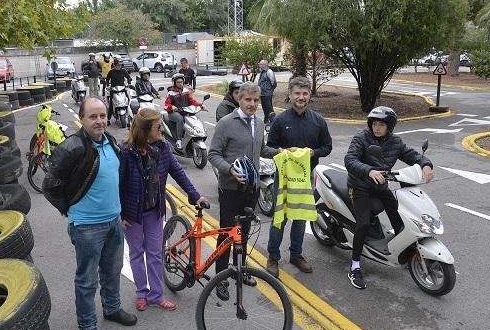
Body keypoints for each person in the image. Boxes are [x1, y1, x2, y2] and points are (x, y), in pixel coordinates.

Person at [42, 97, 137, 330]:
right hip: (86, 227)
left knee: (112, 269)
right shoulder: (72, 147)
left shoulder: (111, 142)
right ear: (82, 120)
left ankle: (112, 308)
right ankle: (87, 325)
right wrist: (70, 210)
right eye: (93, 116)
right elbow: (50, 186)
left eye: (103, 116)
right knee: (86, 280)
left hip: (113, 221)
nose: (99, 121)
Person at [119, 108, 206, 311]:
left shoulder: (164, 147)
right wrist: (121, 213)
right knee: (136, 253)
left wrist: (195, 196)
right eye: (159, 126)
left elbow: (178, 173)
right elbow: (117, 184)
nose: (162, 129)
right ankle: (141, 293)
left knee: (156, 253)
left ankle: (156, 295)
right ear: (146, 129)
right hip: (132, 213)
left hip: (154, 210)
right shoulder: (126, 151)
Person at [344, 106, 434, 290]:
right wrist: (369, 171)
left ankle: (406, 250)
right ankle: (354, 266)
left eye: (381, 125)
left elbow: (411, 155)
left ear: (389, 127)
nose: (377, 128)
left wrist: (426, 164)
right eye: (374, 124)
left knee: (398, 213)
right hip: (359, 186)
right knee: (363, 223)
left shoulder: (395, 142)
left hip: (380, 185)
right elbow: (350, 160)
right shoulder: (361, 138)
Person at [209, 82, 279, 300]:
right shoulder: (226, 123)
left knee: (244, 233)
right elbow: (213, 154)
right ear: (239, 99)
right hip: (230, 189)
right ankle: (221, 278)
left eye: (256, 100)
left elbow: (261, 149)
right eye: (248, 100)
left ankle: (240, 270)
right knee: (226, 235)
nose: (252, 104)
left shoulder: (258, 123)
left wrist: (282, 152)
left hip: (252, 188)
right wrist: (229, 169)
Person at [265, 76, 332, 277]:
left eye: (304, 93)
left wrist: (311, 153)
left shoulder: (318, 121)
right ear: (290, 94)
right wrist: (284, 151)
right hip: (283, 178)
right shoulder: (280, 119)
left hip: (306, 177)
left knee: (300, 218)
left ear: (309, 95)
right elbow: (268, 147)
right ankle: (273, 257)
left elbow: (327, 147)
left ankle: (296, 254)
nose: (301, 97)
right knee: (281, 218)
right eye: (297, 93)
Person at [164, 73, 206, 150]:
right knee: (180, 119)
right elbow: (166, 105)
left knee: (194, 118)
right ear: (174, 83)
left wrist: (201, 105)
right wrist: (171, 107)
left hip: (184, 111)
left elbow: (192, 101)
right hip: (173, 113)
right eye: (178, 82)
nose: (180, 84)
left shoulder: (186, 91)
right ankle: (179, 140)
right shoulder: (171, 93)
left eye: (181, 82)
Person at [105, 57, 132, 123]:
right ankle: (108, 119)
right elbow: (107, 79)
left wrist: (129, 83)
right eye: (118, 64)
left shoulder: (123, 71)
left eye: (120, 65)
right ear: (115, 64)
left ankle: (130, 116)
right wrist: (108, 85)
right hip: (113, 90)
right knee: (111, 104)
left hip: (122, 89)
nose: (119, 66)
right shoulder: (111, 71)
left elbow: (128, 77)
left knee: (128, 100)